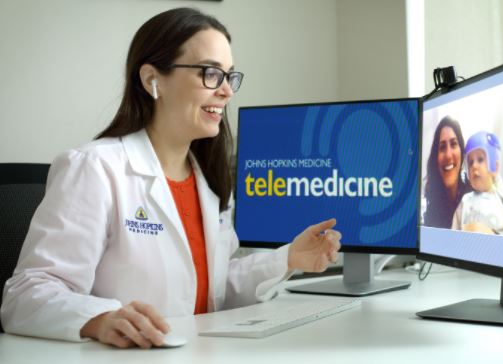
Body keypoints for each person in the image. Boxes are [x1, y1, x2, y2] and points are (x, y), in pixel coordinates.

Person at [0, 8, 341, 349]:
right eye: (210, 73)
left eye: (229, 76)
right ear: (153, 79)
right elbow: (26, 296)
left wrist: (288, 258)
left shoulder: (209, 180)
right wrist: (100, 319)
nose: (226, 91)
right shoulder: (94, 168)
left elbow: (213, 291)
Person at [452, 131, 503, 234]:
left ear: (495, 167)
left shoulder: (501, 205)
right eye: (470, 163)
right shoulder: (465, 201)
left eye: (480, 160)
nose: (474, 166)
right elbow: (453, 232)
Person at [422, 116, 472, 228]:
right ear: (436, 158)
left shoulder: (473, 200)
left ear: (462, 153)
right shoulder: (431, 207)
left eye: (454, 144)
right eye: (442, 147)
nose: (448, 155)